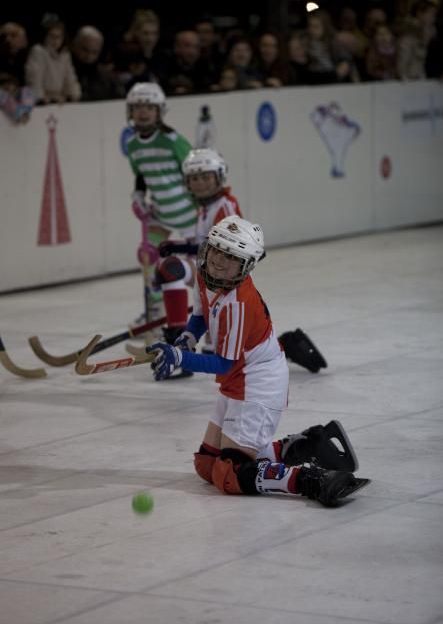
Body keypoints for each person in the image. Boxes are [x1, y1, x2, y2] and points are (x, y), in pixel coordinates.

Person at [146, 216, 369, 506]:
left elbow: (224, 363)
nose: (220, 262)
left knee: (230, 474)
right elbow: (200, 316)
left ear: (246, 266)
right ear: (208, 248)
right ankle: (305, 446)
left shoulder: (238, 302)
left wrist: (179, 357)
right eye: (217, 250)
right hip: (239, 379)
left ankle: (311, 480)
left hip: (258, 383)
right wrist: (188, 337)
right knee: (206, 464)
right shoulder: (204, 276)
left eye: (232, 258)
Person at [156, 148, 327, 373]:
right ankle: (181, 339)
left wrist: (181, 248)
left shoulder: (224, 206)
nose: (200, 183)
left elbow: (226, 249)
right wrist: (181, 246)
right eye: (194, 178)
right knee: (223, 343)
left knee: (228, 348)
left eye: (206, 177)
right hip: (208, 271)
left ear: (220, 176)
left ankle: (283, 346)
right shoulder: (205, 209)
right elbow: (208, 245)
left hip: (223, 276)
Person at [125, 81, 197, 327]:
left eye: (149, 107)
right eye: (138, 107)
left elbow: (193, 168)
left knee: (200, 265)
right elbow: (142, 174)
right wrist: (138, 195)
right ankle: (156, 309)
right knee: (148, 257)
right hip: (161, 213)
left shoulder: (172, 140)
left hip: (190, 213)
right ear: (130, 111)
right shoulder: (133, 145)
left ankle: (204, 304)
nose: (143, 112)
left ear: (159, 111)